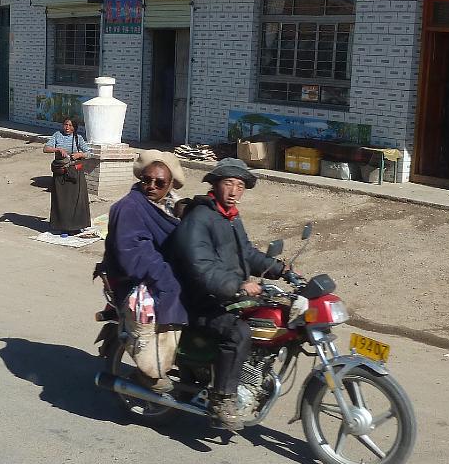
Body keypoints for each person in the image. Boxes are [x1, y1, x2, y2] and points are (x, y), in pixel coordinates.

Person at [170, 158, 286, 430]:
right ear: (215, 184)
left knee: (271, 316)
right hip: (200, 301)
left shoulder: (229, 217)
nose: (234, 191)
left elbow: (246, 252)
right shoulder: (199, 218)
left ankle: (250, 377)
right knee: (238, 333)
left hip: (225, 297)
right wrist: (237, 286)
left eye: (240, 185)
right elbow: (201, 267)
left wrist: (281, 270)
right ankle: (222, 399)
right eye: (228, 183)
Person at [104, 150, 188, 393]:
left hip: (160, 269)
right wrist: (166, 276)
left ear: (170, 185)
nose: (151, 186)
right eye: (146, 180)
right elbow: (134, 254)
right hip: (135, 278)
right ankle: (152, 369)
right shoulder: (129, 208)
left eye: (159, 182)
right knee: (172, 294)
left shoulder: (170, 204)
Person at [43, 118, 91, 234]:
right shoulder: (57, 135)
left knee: (76, 201)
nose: (67, 127)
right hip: (60, 173)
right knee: (61, 201)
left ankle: (76, 226)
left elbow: (89, 153)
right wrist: (57, 149)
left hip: (74, 173)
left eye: (70, 125)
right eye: (65, 125)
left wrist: (80, 154)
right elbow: (45, 149)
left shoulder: (78, 138)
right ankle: (63, 226)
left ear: (74, 127)